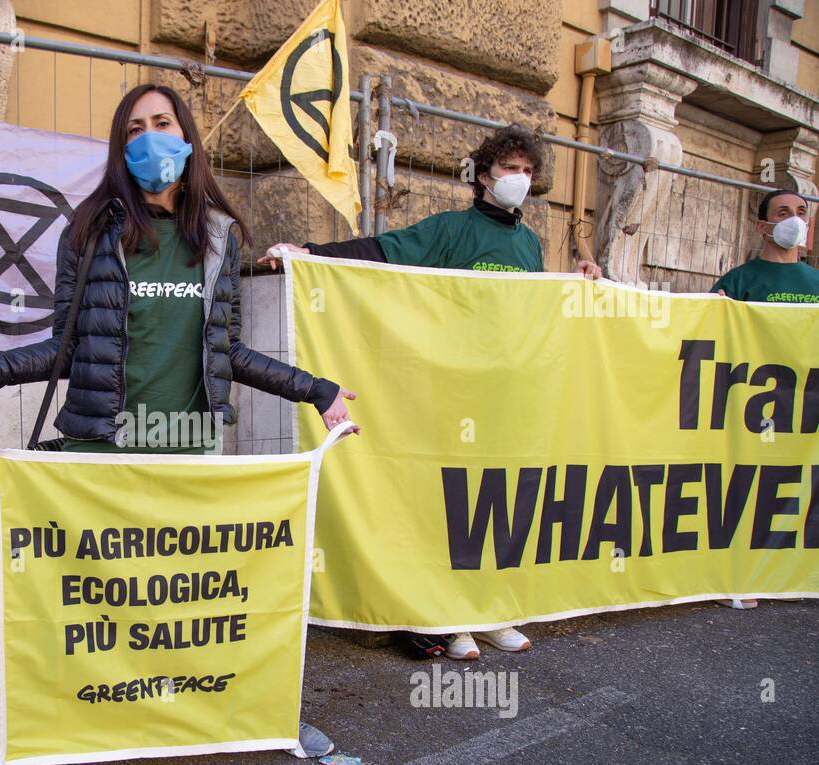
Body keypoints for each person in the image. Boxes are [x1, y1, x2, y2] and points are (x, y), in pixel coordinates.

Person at [0, 83, 358, 765]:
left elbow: (231, 355)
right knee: (64, 609)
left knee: (202, 603)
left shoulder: (220, 237)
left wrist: (316, 389)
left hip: (190, 454)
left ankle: (263, 714)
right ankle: (6, 742)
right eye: (135, 128)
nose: (149, 138)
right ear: (119, 146)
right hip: (101, 451)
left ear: (187, 136)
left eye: (162, 123)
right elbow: (64, 348)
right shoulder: (91, 232)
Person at [258, 124, 602, 661]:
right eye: (510, 169)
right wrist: (310, 252)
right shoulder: (451, 229)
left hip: (508, 396)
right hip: (454, 392)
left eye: (528, 172)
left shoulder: (530, 243)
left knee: (500, 500)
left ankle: (490, 610)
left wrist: (581, 281)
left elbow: (542, 310)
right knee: (453, 503)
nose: (520, 179)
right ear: (484, 175)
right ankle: (450, 616)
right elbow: (381, 252)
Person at [710, 187, 816, 609]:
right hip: (752, 408)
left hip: (806, 410)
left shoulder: (816, 282)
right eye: (784, 212)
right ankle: (736, 577)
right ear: (762, 225)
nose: (794, 219)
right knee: (747, 490)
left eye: (802, 212)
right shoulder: (738, 281)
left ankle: (794, 572)